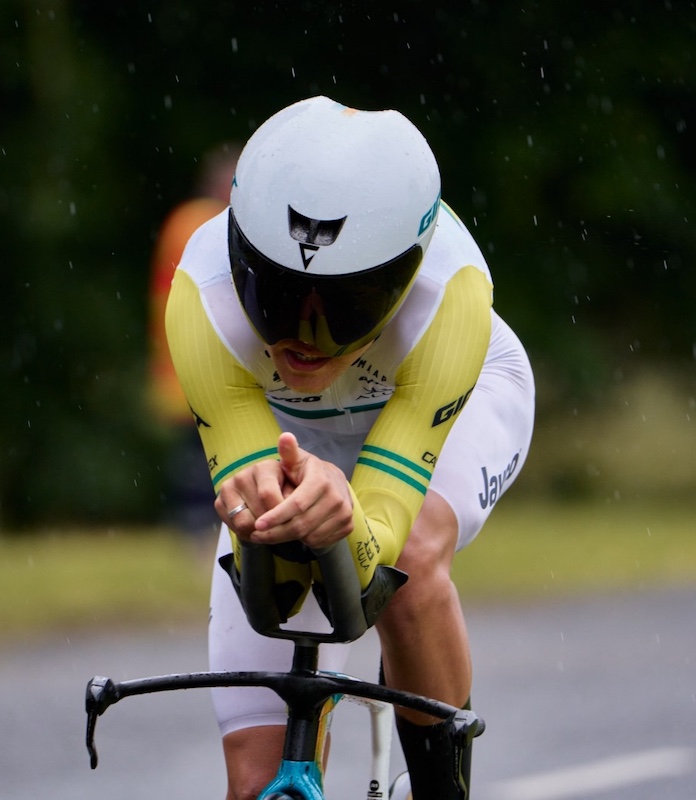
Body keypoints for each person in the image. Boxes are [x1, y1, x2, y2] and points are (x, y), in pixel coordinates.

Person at [164, 96, 535, 800]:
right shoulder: (202, 295)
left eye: (346, 306)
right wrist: (280, 523)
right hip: (288, 434)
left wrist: (354, 521)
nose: (304, 336)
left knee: (412, 560)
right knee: (255, 783)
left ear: (401, 279)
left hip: (446, 406)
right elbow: (265, 547)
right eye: (274, 294)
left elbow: (382, 536)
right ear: (242, 255)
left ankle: (439, 787)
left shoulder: (450, 292)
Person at [147, 144, 241, 540]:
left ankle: (203, 529)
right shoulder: (200, 223)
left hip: (188, 359)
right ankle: (199, 531)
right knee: (200, 451)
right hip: (194, 360)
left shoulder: (188, 220)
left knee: (201, 450)